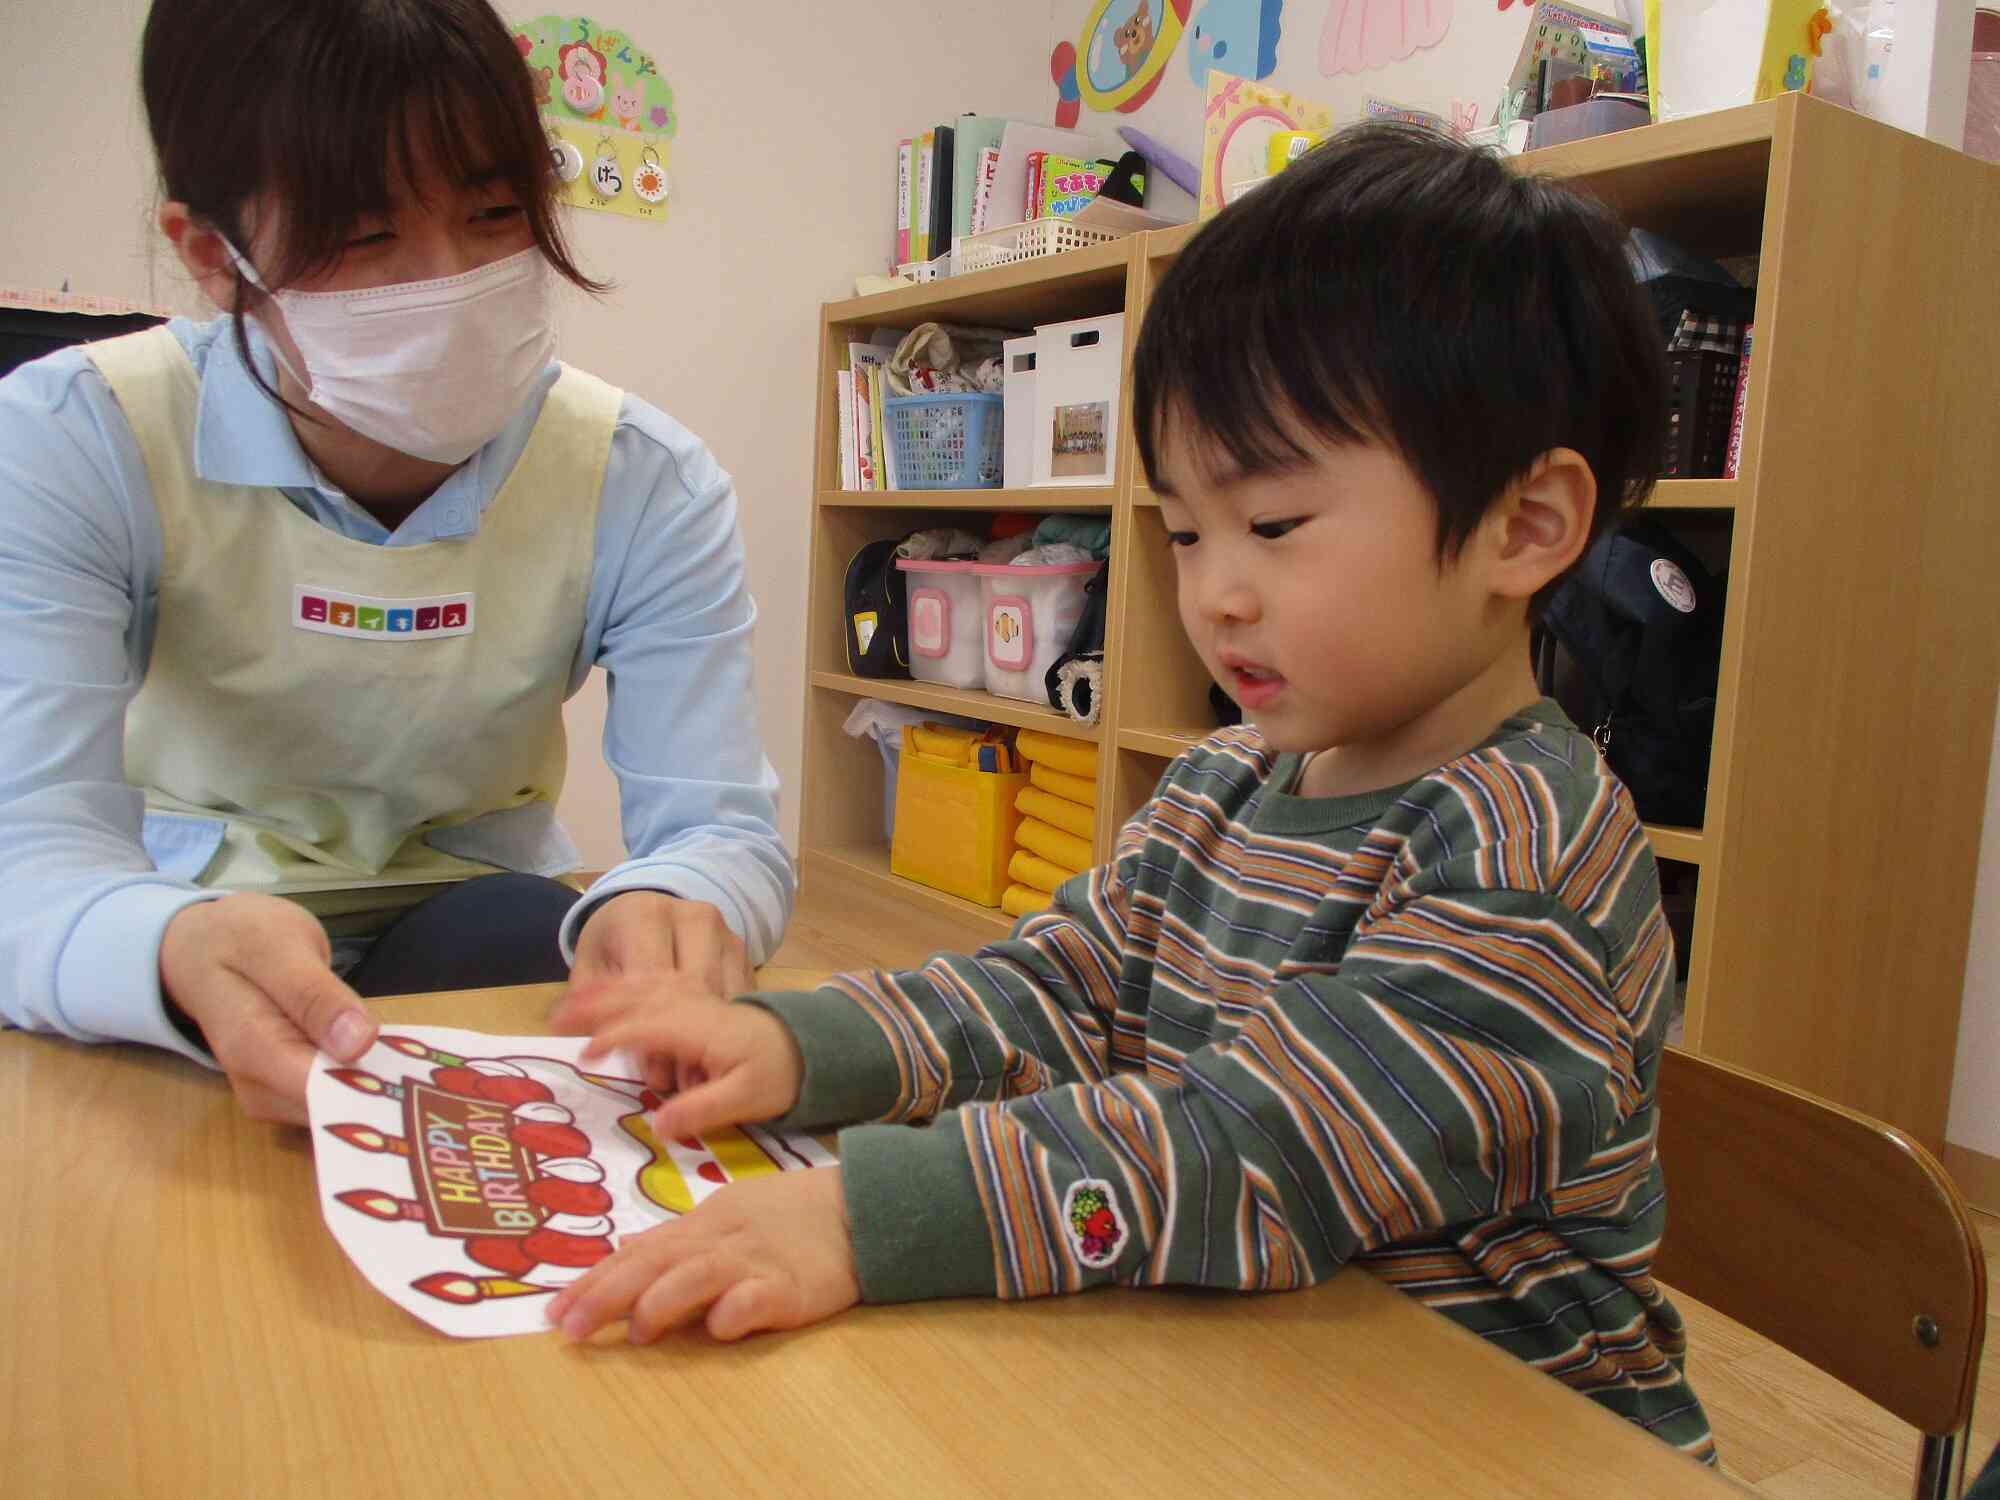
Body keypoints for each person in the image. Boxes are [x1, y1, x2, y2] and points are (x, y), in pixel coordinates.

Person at [548, 123, 1714, 1462]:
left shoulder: (1527, 855)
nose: (1213, 591)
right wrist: (807, 1047)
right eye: (1183, 529)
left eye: (1273, 525)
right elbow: (1058, 991)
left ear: (1526, 527)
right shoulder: (1228, 782)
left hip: (1507, 1445)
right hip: (1261, 1384)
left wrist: (866, 1215)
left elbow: (1256, 1148)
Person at [0, 0, 792, 1124]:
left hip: (476, 916)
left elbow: (717, 824)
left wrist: (681, 895)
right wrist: (161, 942)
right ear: (210, 255)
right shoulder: (73, 437)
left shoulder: (641, 476)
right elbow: (26, 845)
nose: (450, 283)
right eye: (368, 236)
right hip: (183, 919)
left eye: (496, 213)